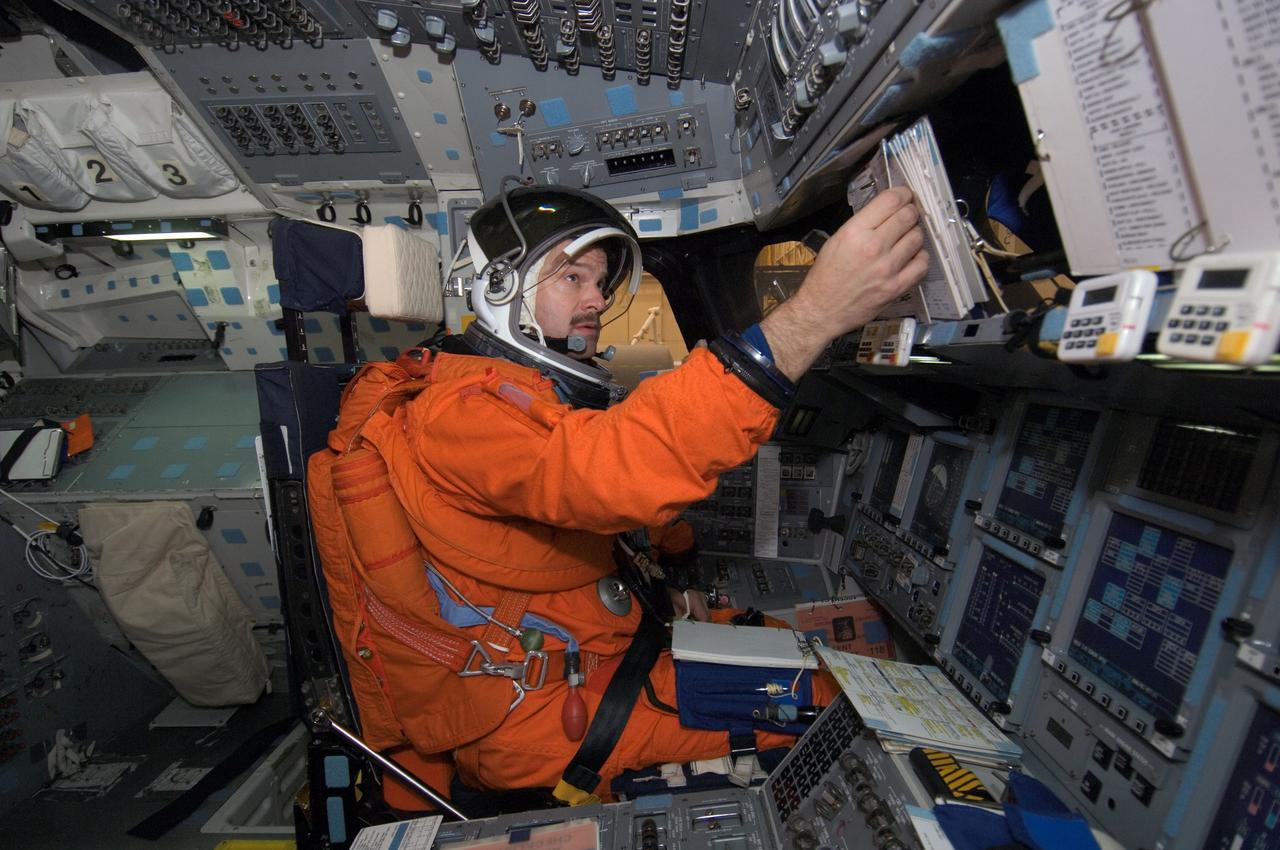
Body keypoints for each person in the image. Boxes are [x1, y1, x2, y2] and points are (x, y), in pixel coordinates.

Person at [307, 183, 926, 809]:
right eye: (573, 277)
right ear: (499, 288)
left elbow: (558, 508)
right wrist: (812, 315)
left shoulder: (501, 395)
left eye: (600, 283)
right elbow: (600, 472)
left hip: (593, 656)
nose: (596, 300)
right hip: (542, 713)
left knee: (789, 650)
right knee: (823, 705)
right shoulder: (456, 413)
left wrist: (669, 548)